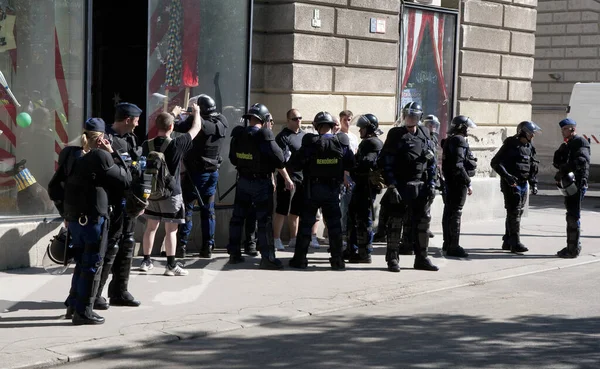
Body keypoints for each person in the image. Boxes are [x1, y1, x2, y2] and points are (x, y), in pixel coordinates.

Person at [57, 118, 131, 325]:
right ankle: (84, 312)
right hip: (93, 219)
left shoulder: (69, 154)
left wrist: (66, 212)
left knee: (81, 262)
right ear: (100, 139)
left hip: (74, 219)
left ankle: (73, 305)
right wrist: (114, 153)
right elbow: (126, 180)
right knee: (92, 264)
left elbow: (55, 186)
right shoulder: (100, 156)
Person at [227, 103, 294, 269]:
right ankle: (268, 258)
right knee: (264, 221)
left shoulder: (239, 134)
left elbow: (233, 159)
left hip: (243, 181)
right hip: (261, 183)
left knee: (237, 219)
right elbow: (280, 158)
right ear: (264, 120)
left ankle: (234, 254)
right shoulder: (264, 135)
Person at [139, 104, 202, 276]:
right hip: (171, 193)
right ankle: (171, 265)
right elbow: (196, 128)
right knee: (171, 230)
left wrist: (172, 114)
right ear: (172, 127)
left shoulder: (147, 144)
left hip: (151, 192)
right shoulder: (177, 144)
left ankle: (146, 261)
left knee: (151, 227)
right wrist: (196, 113)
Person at [93, 102, 145, 310]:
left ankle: (119, 291)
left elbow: (136, 169)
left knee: (127, 244)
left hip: (129, 201)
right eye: (136, 120)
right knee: (109, 247)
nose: (138, 124)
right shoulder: (106, 139)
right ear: (127, 120)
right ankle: (96, 294)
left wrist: (141, 198)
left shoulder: (131, 139)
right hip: (112, 202)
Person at [288, 111, 355, 270]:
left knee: (305, 226)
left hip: (313, 190)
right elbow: (351, 163)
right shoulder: (341, 142)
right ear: (333, 126)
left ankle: (300, 259)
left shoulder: (310, 142)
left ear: (317, 126)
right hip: (332, 191)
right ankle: (338, 260)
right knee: (334, 227)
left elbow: (294, 164)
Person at [380, 102, 438, 273]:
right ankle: (392, 259)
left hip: (421, 185)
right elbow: (385, 161)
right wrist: (391, 184)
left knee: (423, 222)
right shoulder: (396, 134)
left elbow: (432, 161)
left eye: (414, 115)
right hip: (401, 185)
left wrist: (432, 183)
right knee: (396, 222)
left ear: (419, 117)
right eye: (408, 115)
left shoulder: (425, 132)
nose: (410, 118)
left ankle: (422, 258)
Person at [174, 95, 228, 259]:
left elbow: (176, 126)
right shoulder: (222, 120)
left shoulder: (198, 123)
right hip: (212, 172)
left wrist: (178, 113)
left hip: (196, 174)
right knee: (208, 210)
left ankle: (181, 247)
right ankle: (207, 247)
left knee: (188, 209)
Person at [491, 120, 541, 254]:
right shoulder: (511, 144)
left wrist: (534, 183)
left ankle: (508, 240)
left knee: (517, 212)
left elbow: (532, 167)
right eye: (531, 133)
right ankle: (515, 242)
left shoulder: (529, 147)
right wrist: (507, 177)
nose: (533, 136)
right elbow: (495, 163)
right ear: (523, 132)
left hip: (524, 183)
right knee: (514, 212)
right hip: (512, 183)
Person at [346, 114, 383, 263]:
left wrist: (354, 164)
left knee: (364, 219)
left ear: (369, 128)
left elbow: (367, 162)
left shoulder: (373, 143)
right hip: (360, 185)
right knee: (354, 217)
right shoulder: (368, 142)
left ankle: (365, 253)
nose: (359, 130)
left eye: (362, 128)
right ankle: (352, 249)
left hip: (366, 187)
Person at [552, 118, 590, 258]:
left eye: (565, 129)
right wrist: (560, 153)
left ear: (572, 129)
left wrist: (563, 169)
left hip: (577, 183)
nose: (562, 132)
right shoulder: (568, 144)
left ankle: (572, 249)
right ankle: (572, 246)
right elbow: (558, 162)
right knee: (571, 214)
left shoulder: (580, 142)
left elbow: (581, 161)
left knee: (573, 216)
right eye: (562, 129)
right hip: (569, 183)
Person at [441, 115, 478, 258]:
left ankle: (447, 242)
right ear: (462, 127)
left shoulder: (450, 139)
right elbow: (458, 164)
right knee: (456, 212)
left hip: (450, 181)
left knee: (449, 212)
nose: (468, 130)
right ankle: (453, 246)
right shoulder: (459, 140)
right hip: (458, 182)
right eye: (466, 127)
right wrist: (468, 181)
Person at [273, 109, 306, 251]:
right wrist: (286, 178)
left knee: (296, 210)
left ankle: (293, 238)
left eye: (300, 118)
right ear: (288, 120)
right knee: (282, 209)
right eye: (294, 118)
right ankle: (276, 239)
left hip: (301, 178)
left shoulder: (305, 136)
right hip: (286, 178)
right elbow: (280, 161)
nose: (298, 120)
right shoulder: (282, 137)